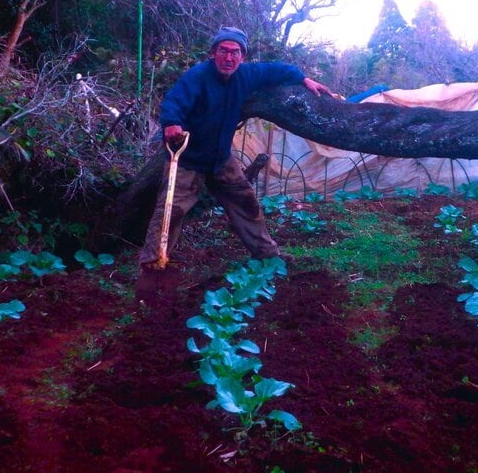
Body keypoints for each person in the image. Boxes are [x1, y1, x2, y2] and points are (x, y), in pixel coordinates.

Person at [136, 26, 334, 301]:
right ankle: (152, 269)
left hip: (221, 159)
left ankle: (267, 255)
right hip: (189, 158)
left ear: (243, 56)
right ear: (213, 53)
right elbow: (174, 100)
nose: (229, 57)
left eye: (235, 52)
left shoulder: (247, 75)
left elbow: (279, 69)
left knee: (246, 202)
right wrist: (171, 123)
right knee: (171, 212)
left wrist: (304, 79)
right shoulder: (198, 76)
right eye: (223, 51)